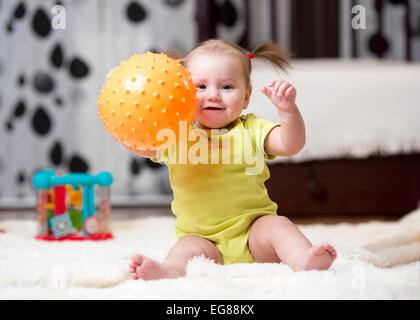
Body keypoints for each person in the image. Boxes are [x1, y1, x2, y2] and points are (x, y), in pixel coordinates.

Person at [126, 39, 337, 280]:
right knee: (185, 250)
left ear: (246, 97)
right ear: (183, 91)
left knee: (279, 227)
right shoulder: (178, 133)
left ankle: (302, 258)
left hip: (253, 232)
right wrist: (129, 109)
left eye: (227, 87)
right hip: (202, 239)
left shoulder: (252, 129)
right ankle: (169, 271)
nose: (214, 95)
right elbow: (142, 146)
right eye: (201, 86)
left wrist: (288, 111)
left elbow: (291, 144)